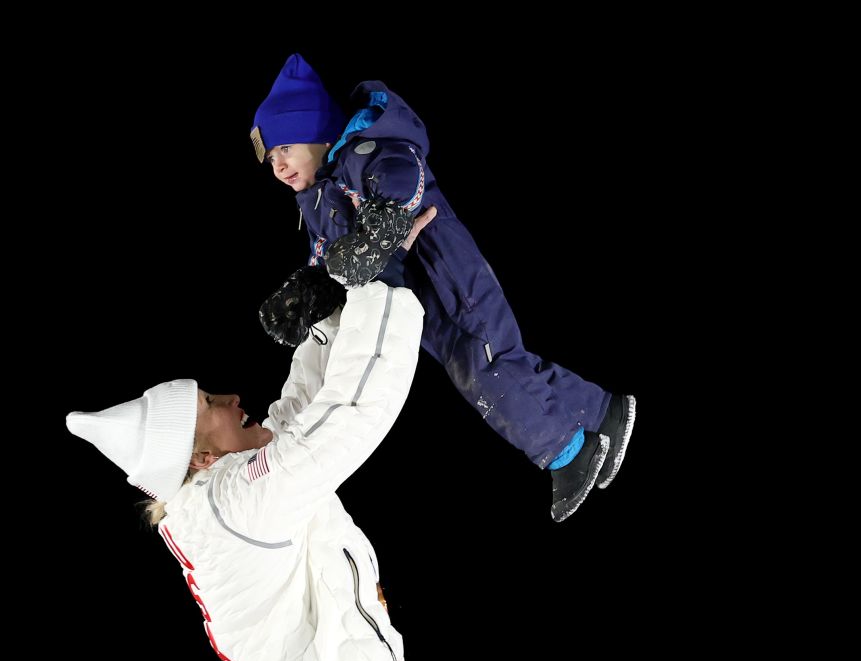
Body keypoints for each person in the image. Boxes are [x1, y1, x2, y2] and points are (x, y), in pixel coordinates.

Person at [67, 209, 463, 661]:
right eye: (210, 405)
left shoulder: (218, 502)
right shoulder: (228, 503)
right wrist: (381, 283)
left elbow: (300, 420)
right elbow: (346, 418)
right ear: (201, 458)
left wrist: (324, 321)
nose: (231, 396)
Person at [251, 53, 637, 522]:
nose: (279, 166)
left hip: (449, 275)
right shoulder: (319, 198)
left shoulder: (366, 153)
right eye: (271, 159)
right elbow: (330, 258)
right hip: (421, 300)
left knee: (486, 365)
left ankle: (567, 453)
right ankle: (603, 413)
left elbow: (401, 174)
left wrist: (380, 227)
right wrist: (308, 292)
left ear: (316, 130)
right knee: (489, 361)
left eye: (285, 149)